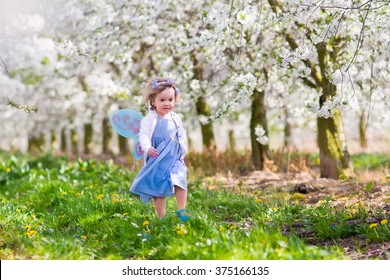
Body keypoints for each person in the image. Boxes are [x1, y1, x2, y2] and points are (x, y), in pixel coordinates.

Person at [129, 77, 190, 222]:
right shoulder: (149, 119)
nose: (167, 103)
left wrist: (183, 151)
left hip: (174, 156)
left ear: (175, 100)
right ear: (153, 101)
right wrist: (147, 147)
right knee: (159, 187)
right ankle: (161, 216)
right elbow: (143, 135)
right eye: (162, 100)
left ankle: (182, 210)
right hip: (158, 157)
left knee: (180, 179)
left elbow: (181, 134)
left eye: (170, 99)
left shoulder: (176, 118)